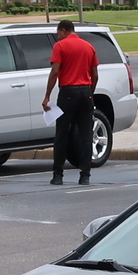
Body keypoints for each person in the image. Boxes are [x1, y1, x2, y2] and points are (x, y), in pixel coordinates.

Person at [41, 18, 96, 185]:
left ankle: (58, 175)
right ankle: (85, 175)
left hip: (68, 92)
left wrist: (47, 95)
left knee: (62, 134)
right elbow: (95, 74)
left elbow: (55, 71)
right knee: (86, 135)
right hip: (86, 91)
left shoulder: (60, 46)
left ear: (64, 30)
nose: (58, 36)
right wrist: (90, 92)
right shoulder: (88, 46)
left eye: (59, 33)